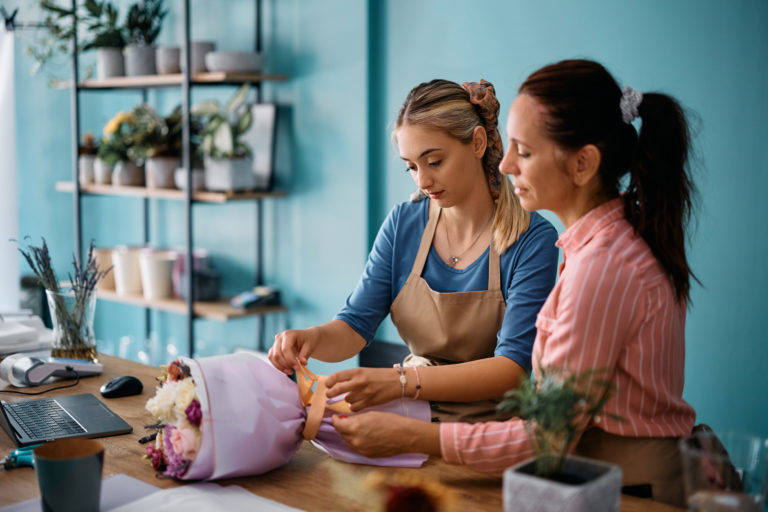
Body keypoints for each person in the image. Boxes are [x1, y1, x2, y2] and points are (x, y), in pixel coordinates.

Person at [330, 60, 698, 508]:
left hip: (629, 490)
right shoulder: (600, 246)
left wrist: (414, 434)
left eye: (523, 151)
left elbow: (547, 434)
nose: (504, 164)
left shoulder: (601, 268)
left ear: (583, 163)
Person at [269, 78, 559, 421]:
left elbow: (511, 369)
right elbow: (354, 326)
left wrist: (402, 381)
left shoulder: (531, 239)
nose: (422, 181)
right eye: (411, 166)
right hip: (409, 416)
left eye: (434, 161)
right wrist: (310, 339)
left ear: (478, 143)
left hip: (491, 434)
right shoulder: (403, 225)